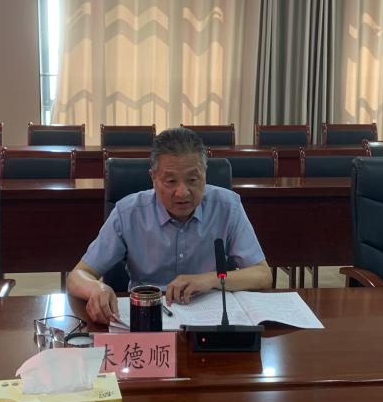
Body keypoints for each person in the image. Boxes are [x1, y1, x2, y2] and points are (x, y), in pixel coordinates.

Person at [67, 126, 272, 323]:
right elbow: (77, 275)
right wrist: (97, 289)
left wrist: (209, 280)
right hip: (146, 315)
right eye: (171, 181)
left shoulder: (227, 207)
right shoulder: (128, 213)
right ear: (153, 178)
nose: (182, 192)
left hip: (208, 317)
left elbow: (263, 275)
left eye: (193, 180)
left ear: (205, 174)